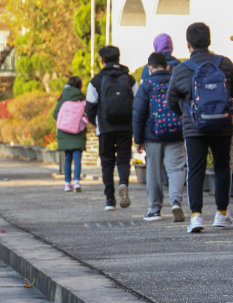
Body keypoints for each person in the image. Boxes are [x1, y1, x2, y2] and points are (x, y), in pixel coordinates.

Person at [168, 22, 233, 233]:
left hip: (194, 128)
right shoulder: (224, 64)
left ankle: (196, 217)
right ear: (209, 41)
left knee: (195, 169)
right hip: (222, 125)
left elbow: (171, 99)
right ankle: (221, 214)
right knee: (222, 166)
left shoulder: (182, 69)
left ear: (188, 43)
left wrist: (187, 113)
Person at [133, 52, 186, 222]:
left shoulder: (147, 85)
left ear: (149, 68)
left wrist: (138, 139)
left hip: (153, 135)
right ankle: (176, 202)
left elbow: (139, 113)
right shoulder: (176, 82)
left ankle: (155, 209)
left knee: (153, 171)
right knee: (176, 168)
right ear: (169, 67)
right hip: (176, 132)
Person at [86, 46, 138, 211]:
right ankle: (123, 183)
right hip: (125, 127)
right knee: (123, 160)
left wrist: (96, 123)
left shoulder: (95, 81)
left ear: (102, 61)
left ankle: (110, 200)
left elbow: (89, 109)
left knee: (107, 162)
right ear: (118, 59)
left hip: (105, 127)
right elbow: (138, 103)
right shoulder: (129, 80)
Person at [53, 76, 87, 192]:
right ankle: (77, 181)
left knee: (67, 158)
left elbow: (55, 114)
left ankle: (67, 183)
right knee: (77, 158)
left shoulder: (63, 98)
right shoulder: (82, 97)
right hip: (78, 132)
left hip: (64, 132)